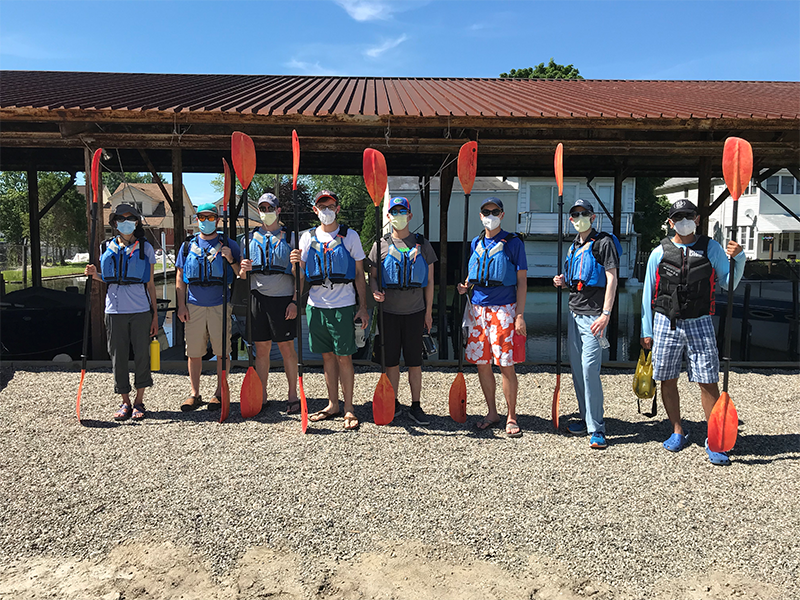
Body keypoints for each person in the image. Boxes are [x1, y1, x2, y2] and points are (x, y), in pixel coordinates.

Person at [640, 199, 745, 466]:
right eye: (678, 217)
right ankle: (677, 430)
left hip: (700, 320)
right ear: (670, 222)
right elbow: (648, 292)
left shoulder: (711, 248)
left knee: (708, 380)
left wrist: (740, 258)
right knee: (667, 377)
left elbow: (729, 284)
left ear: (697, 219)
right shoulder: (659, 252)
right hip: (666, 321)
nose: (684, 220)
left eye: (689, 215)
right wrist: (646, 330)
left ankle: (715, 438)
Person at [289, 190, 369, 430]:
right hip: (316, 306)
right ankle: (333, 403)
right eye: (322, 206)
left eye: (330, 206)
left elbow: (359, 274)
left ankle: (349, 407)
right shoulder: (306, 238)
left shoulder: (350, 236)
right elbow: (300, 275)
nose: (326, 210)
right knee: (326, 357)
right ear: (315, 210)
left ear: (337, 209)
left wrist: (363, 307)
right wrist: (294, 267)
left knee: (344, 357)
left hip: (343, 305)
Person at [457, 197, 527, 437]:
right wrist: (465, 286)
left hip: (504, 310)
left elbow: (521, 282)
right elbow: (473, 274)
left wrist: (519, 315)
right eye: (486, 212)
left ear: (502, 214)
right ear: (480, 215)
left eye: (495, 211)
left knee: (505, 364)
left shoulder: (513, 243)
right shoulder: (476, 242)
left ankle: (511, 416)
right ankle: (492, 412)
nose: (490, 215)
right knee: (482, 363)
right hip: (477, 310)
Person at [553, 199, 620, 449]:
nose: (579, 217)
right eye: (575, 214)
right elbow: (575, 278)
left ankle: (597, 428)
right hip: (574, 312)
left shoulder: (603, 243)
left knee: (590, 370)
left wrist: (606, 314)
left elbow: (612, 279)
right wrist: (562, 281)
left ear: (592, 217)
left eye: (584, 213)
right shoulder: (574, 245)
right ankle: (585, 417)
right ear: (571, 219)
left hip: (594, 317)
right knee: (578, 370)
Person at [84, 204, 158, 421]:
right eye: (121, 219)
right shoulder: (106, 246)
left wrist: (154, 315)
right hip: (114, 311)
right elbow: (108, 278)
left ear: (136, 222)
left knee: (142, 355)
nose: (126, 223)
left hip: (140, 310)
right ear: (115, 223)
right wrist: (94, 274)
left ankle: (139, 401)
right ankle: (125, 401)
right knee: (118, 356)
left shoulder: (145, 248)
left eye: (130, 219)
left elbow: (150, 285)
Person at [368, 196, 437, 425]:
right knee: (391, 363)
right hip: (389, 313)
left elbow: (430, 282)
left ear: (409, 215)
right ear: (388, 216)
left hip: (415, 312)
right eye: (394, 212)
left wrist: (428, 313)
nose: (398, 216)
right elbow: (373, 277)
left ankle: (416, 405)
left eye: (402, 212)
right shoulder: (380, 245)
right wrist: (375, 291)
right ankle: (393, 401)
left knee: (415, 362)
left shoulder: (422, 244)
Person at [175, 202, 241, 412]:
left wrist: (230, 258)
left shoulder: (229, 244)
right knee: (194, 352)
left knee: (222, 351)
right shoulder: (187, 246)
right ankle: (194, 393)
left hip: (219, 304)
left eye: (210, 218)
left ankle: (220, 392)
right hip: (193, 305)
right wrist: (181, 305)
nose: (206, 221)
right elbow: (180, 277)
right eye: (202, 218)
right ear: (197, 220)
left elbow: (241, 274)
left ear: (217, 220)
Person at [238, 193, 300, 413]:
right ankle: (262, 395)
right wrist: (242, 270)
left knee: (286, 348)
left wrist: (294, 302)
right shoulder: (248, 239)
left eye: (270, 208)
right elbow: (242, 275)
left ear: (278, 210)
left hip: (283, 299)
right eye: (262, 208)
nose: (266, 212)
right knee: (261, 349)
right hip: (258, 298)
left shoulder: (291, 237)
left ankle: (292, 395)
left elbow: (300, 276)